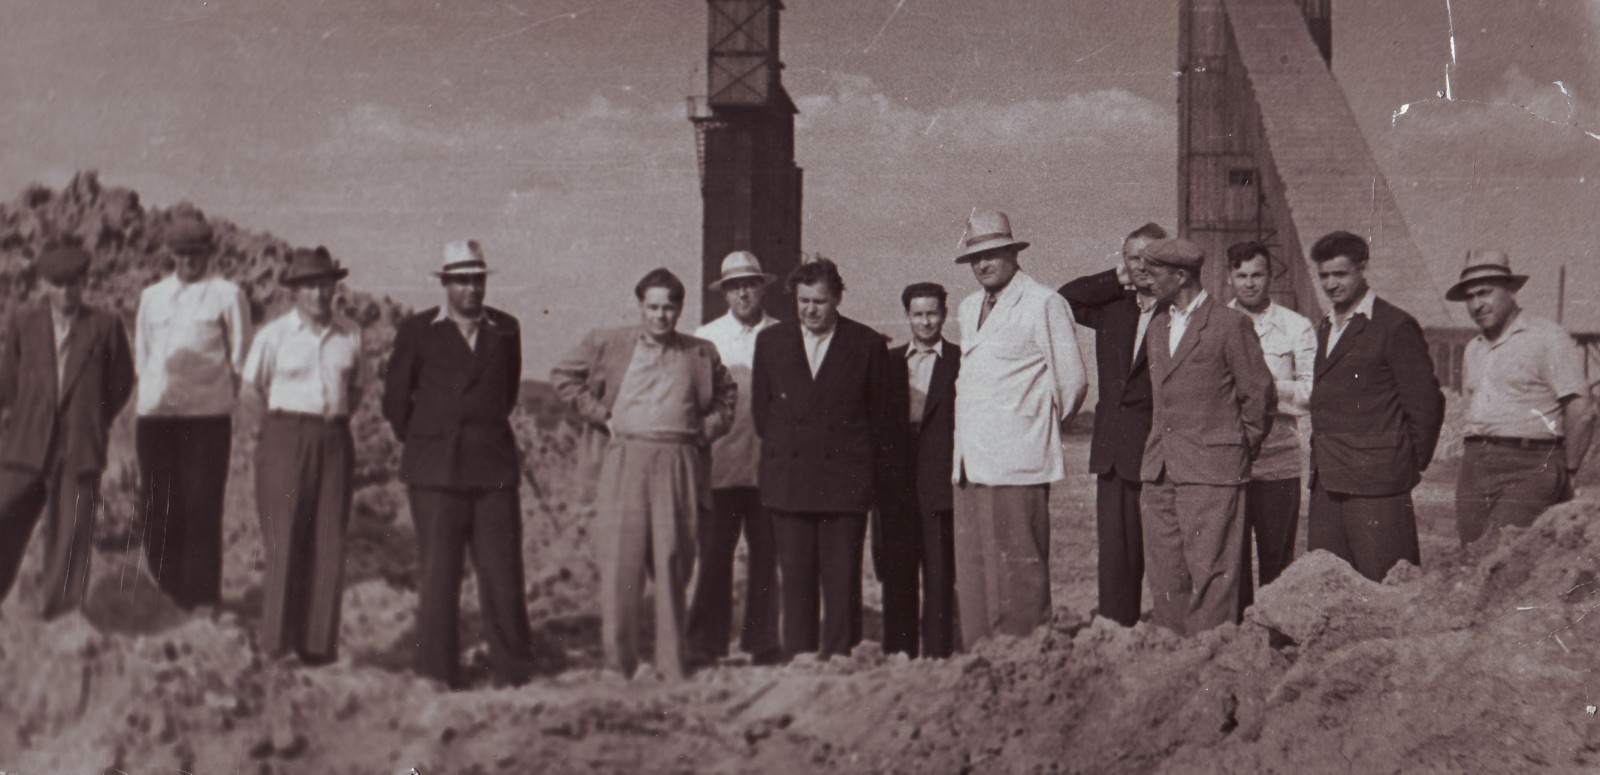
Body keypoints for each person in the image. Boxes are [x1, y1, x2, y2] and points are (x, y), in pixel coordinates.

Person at [551, 268, 736, 679]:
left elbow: (727, 397)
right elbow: (563, 376)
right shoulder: (609, 342)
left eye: (668, 308)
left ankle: (671, 663)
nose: (660, 316)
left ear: (679, 310)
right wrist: (600, 414)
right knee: (622, 564)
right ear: (640, 307)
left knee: (672, 562)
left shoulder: (700, 352)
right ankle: (620, 664)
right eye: (652, 307)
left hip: (679, 460)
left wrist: (705, 430)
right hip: (626, 458)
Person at [382, 239, 535, 688]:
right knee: (439, 575)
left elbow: (506, 394)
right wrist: (429, 439)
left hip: (492, 469)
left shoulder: (505, 329)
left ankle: (511, 673)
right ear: (445, 284)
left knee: (503, 574)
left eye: (477, 280)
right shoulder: (418, 330)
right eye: (462, 281)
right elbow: (395, 401)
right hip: (435, 470)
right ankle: (438, 673)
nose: (471, 289)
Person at [951, 209, 1088, 647]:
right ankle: (982, 652)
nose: (983, 264)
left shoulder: (1043, 302)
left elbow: (1073, 381)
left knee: (1020, 563)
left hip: (1018, 459)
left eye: (992, 254)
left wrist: (1035, 427)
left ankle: (1026, 653)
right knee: (975, 564)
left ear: (1013, 253)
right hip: (971, 459)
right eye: (975, 257)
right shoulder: (968, 307)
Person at [750, 258, 897, 660]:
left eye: (820, 301)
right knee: (796, 581)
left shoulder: (866, 344)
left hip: (843, 486)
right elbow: (763, 415)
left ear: (837, 299)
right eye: (803, 301)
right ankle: (799, 659)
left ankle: (838, 662)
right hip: (790, 481)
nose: (810, 310)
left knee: (841, 582)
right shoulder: (771, 342)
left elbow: (881, 422)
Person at [1137, 238, 1275, 635]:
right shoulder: (1157, 327)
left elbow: (1259, 397)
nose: (1147, 280)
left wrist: (1232, 450)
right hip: (1160, 471)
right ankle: (1173, 654)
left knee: (1213, 574)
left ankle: (1210, 659)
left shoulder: (1230, 325)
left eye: (1154, 273)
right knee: (1165, 574)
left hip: (1213, 471)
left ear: (1181, 276)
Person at [241, 247, 363, 665]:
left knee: (329, 541)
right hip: (284, 437)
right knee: (284, 538)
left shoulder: (350, 334)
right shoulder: (273, 335)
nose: (318, 294)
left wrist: (333, 423)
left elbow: (356, 388)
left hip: (334, 439)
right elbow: (250, 389)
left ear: (334, 288)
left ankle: (317, 648)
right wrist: (265, 435)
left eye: (325, 285)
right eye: (309, 286)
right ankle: (277, 644)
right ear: (294, 291)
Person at [0, 246, 134, 618]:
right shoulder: (24, 321)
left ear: (84, 282)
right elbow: (8, 379)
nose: (66, 292)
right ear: (44, 284)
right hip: (27, 441)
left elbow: (121, 382)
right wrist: (22, 418)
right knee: (4, 511)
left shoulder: (105, 326)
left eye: (74, 283)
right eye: (57, 284)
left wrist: (93, 419)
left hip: (79, 444)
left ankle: (59, 615)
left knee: (71, 533)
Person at [1306, 231, 1445, 582]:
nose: (1331, 284)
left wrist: (1401, 464)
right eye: (1324, 275)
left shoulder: (1394, 325)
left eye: (1340, 274)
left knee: (1386, 585)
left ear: (1362, 268)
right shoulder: (1326, 326)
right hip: (1328, 481)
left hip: (1378, 484)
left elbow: (1426, 404)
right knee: (1328, 586)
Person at [134, 214, 252, 609]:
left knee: (202, 508)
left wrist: (223, 401)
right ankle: (163, 598)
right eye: (181, 253)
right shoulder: (152, 297)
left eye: (196, 253)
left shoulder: (228, 295)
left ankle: (201, 601)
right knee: (159, 507)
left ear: (210, 252)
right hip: (157, 418)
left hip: (206, 420)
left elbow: (240, 359)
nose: (189, 261)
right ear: (170, 254)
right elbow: (143, 357)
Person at [1058, 222, 1166, 628]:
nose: (1141, 266)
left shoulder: (1178, 312)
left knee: (1162, 549)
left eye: (1149, 258)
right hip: (1112, 450)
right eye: (1132, 258)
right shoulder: (1112, 309)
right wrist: (1117, 277)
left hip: (1157, 448)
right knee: (1115, 550)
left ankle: (1168, 633)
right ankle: (1116, 629)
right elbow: (1064, 299)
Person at [1447, 249, 1595, 545]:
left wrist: (1569, 470)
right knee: (1469, 552)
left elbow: (1582, 411)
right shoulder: (1474, 348)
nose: (1477, 305)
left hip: (1531, 464)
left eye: (1485, 293)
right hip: (1475, 464)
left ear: (1510, 289)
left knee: (1504, 552)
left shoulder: (1548, 338)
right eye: (1470, 297)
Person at [686, 251, 783, 667]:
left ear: (762, 288)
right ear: (724, 293)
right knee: (713, 556)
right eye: (734, 286)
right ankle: (706, 644)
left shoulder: (783, 334)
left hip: (768, 467)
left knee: (765, 558)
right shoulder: (705, 338)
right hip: (719, 468)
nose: (743, 293)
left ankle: (763, 643)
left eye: (750, 284)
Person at [1224, 241, 1316, 609]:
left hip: (1279, 460)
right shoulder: (1214, 324)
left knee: (1277, 560)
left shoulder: (1296, 326)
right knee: (1231, 560)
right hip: (1228, 460)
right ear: (1229, 278)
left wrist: (1260, 390)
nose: (1249, 283)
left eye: (1257, 275)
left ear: (1270, 276)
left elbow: (1311, 392)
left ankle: (1275, 632)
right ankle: (1236, 634)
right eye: (1241, 275)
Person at [878, 282, 960, 658]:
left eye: (932, 313)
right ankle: (900, 655)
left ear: (944, 314)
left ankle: (939, 655)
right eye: (918, 314)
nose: (925, 322)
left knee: (940, 575)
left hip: (940, 483)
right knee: (897, 573)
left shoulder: (960, 360)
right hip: (897, 487)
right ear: (907, 316)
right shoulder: (888, 362)